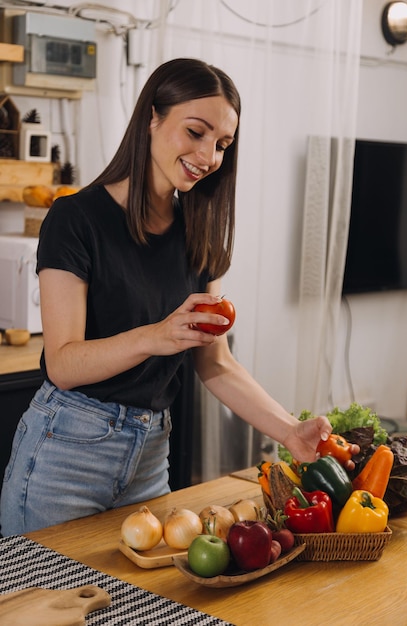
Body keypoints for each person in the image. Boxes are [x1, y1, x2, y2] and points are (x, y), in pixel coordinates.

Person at [0, 58, 356, 536]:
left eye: (223, 144)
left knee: (141, 608)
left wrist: (289, 430)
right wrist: (157, 336)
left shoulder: (198, 231)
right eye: (196, 132)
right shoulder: (75, 218)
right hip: (67, 451)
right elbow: (63, 363)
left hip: (149, 456)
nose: (209, 156)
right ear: (152, 116)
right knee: (41, 606)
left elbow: (216, 364)